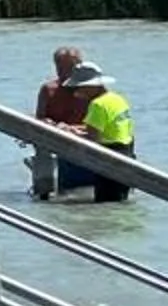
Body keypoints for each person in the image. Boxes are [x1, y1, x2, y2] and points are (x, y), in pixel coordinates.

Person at [55, 59, 137, 202]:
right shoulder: (117, 99)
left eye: (80, 87)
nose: (77, 91)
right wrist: (73, 128)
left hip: (109, 160)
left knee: (106, 203)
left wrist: (68, 132)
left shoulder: (97, 105)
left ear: (92, 86)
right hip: (128, 155)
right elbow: (106, 126)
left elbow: (92, 139)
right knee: (121, 203)